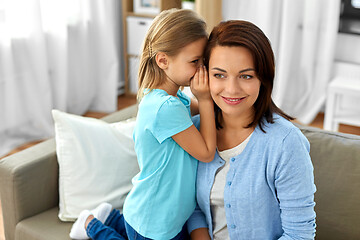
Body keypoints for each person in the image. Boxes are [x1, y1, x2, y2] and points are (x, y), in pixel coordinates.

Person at [69, 8, 216, 240]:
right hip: (153, 221)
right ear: (163, 60)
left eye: (204, 62)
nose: (201, 70)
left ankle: (111, 217)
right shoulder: (165, 108)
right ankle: (91, 225)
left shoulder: (172, 97)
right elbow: (207, 152)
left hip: (165, 215)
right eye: (195, 62)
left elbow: (201, 110)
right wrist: (206, 99)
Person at [187, 20, 317, 240]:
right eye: (219, 75)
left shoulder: (286, 143)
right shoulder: (195, 132)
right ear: (205, 75)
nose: (232, 89)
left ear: (263, 79)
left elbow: (299, 235)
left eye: (246, 76)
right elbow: (193, 208)